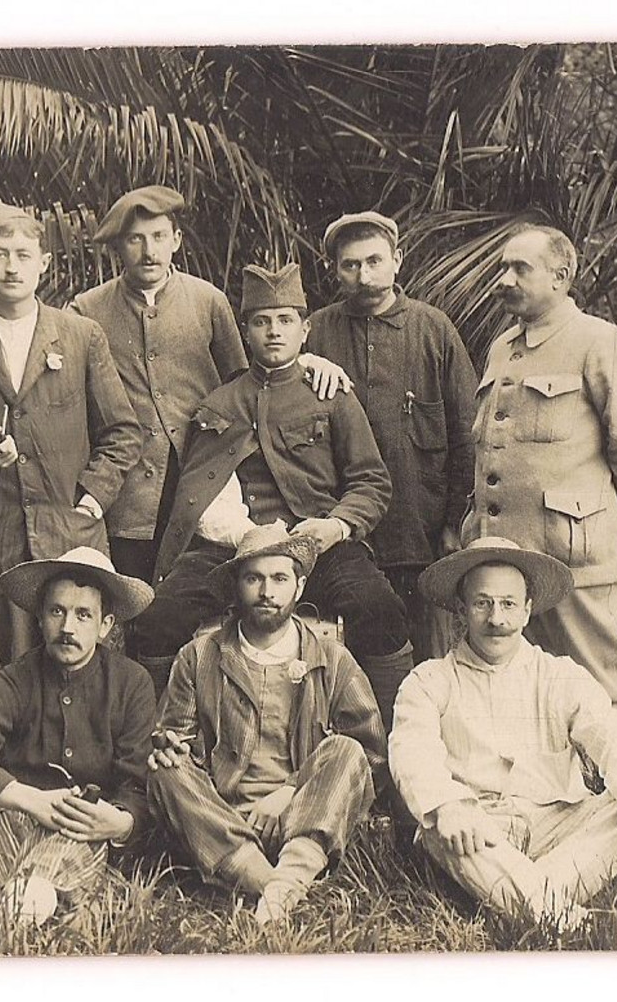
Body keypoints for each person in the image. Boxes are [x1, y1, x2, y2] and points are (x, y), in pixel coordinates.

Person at [0, 185, 351, 584]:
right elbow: (33, 344)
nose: (149, 251)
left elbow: (248, 380)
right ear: (118, 246)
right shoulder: (86, 310)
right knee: (134, 601)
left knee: (198, 596)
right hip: (129, 490)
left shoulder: (207, 301)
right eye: (135, 239)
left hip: (203, 476)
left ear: (176, 240)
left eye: (158, 237)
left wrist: (305, 360)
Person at [128, 262, 415, 726]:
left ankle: (389, 744)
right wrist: (243, 537)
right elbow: (199, 493)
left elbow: (371, 481)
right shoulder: (219, 404)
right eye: (261, 322)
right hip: (231, 549)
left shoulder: (332, 395)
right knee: (159, 617)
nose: (274, 332)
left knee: (377, 608)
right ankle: (155, 749)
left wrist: (336, 526)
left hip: (319, 545)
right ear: (245, 332)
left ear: (305, 330)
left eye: (285, 321)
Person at [389, 537, 617, 930]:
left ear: (527, 611)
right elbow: (413, 751)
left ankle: (523, 899)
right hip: (480, 829)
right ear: (461, 609)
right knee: (438, 827)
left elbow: (611, 730)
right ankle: (556, 912)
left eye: (509, 604)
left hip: (559, 825)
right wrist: (448, 806)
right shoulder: (429, 680)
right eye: (482, 603)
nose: (497, 619)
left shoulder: (558, 675)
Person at [0, 200, 142, 664]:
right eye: (0, 255)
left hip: (72, 531)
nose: (11, 267)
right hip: (3, 541)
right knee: (20, 673)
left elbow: (122, 432)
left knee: (86, 668)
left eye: (22, 255)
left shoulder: (81, 336)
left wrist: (91, 499)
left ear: (43, 263)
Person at [465, 225, 617, 711]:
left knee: (601, 692)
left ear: (561, 277)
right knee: (524, 697)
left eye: (520, 269)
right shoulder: (503, 348)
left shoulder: (602, 343)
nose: (505, 279)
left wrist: (600, 515)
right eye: (502, 268)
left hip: (575, 559)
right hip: (508, 560)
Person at [147, 523, 384, 923]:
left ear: (300, 586)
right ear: (236, 585)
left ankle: (288, 876)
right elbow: (178, 739)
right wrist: (170, 751)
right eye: (253, 578)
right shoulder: (200, 655)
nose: (267, 592)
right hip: (223, 817)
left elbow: (370, 752)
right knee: (165, 771)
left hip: (306, 813)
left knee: (348, 750)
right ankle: (270, 884)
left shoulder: (330, 657)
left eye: (279, 578)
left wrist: (291, 792)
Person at [0, 547, 158, 930]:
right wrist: (32, 801)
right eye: (57, 611)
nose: (68, 627)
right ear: (39, 618)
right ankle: (57, 898)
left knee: (78, 831)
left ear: (105, 625)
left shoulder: (131, 683)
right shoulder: (18, 679)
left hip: (85, 826)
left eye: (84, 615)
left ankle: (14, 909)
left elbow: (138, 785)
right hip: (20, 816)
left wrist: (119, 824)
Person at [306, 212, 478, 659]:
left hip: (419, 533)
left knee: (430, 662)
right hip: (341, 535)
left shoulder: (433, 331)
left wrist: (454, 525)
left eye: (374, 261)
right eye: (350, 265)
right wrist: (305, 362)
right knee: (349, 665)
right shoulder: (316, 332)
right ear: (334, 269)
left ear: (397, 261)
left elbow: (467, 435)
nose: (364, 276)